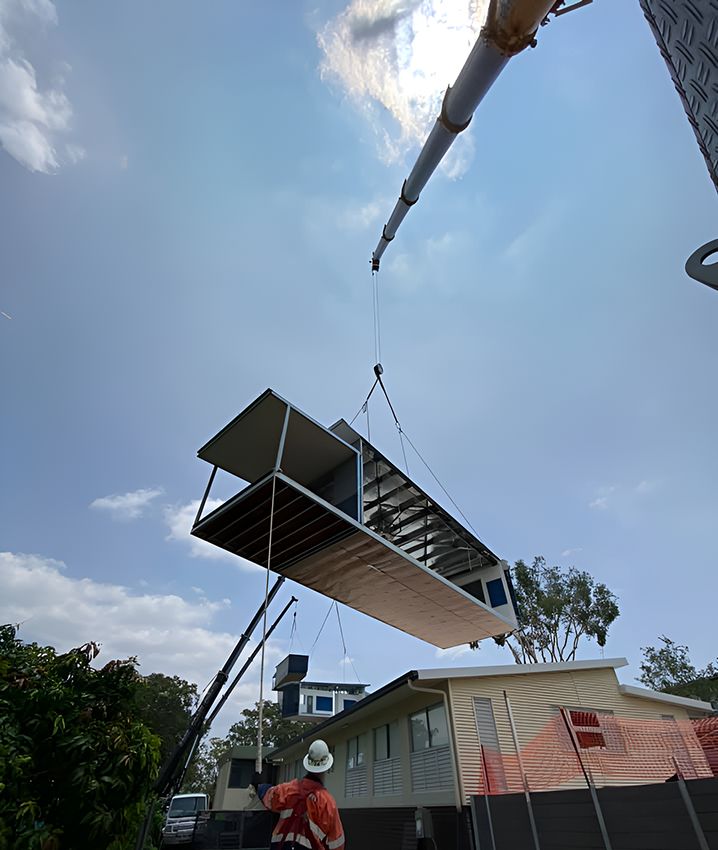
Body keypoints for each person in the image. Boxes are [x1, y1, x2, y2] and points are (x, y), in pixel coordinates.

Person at [255, 739, 345, 850]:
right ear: (327, 767)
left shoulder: (287, 790)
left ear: (308, 764)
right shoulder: (328, 803)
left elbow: (267, 795)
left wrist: (258, 786)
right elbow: (337, 844)